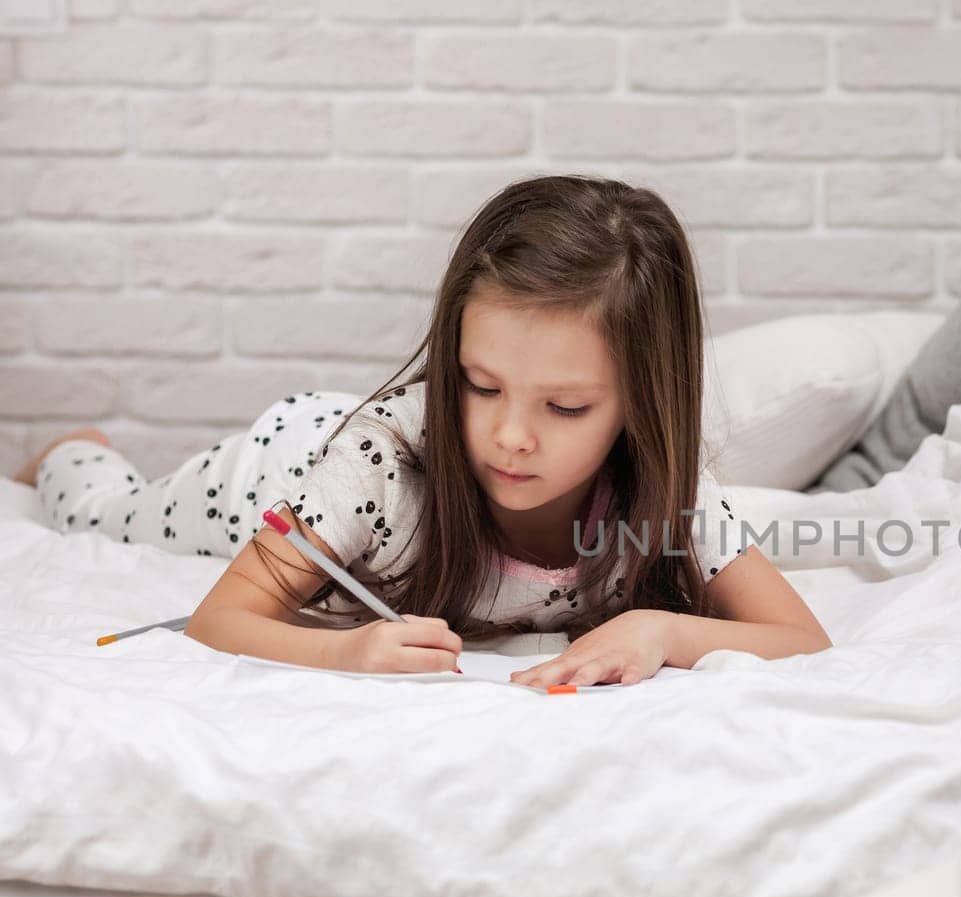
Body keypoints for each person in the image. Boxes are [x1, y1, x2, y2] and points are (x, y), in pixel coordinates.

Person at [14, 176, 831, 687]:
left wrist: (660, 629)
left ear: (639, 407)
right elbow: (217, 619)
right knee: (101, 513)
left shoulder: (667, 492)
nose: (511, 435)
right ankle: (70, 448)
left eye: (566, 407)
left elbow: (799, 636)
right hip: (279, 471)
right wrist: (346, 653)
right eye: (479, 386)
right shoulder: (377, 462)